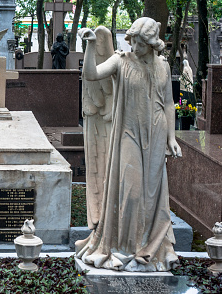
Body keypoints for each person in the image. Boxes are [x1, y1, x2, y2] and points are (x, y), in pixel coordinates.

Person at [76, 17, 182, 272]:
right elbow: (91, 74)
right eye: (132, 42)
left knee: (153, 194)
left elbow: (168, 103)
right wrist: (90, 45)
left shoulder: (163, 67)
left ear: (152, 44)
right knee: (132, 193)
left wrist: (171, 137)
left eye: (140, 44)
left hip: (156, 131)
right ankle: (124, 247)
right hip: (129, 133)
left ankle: (153, 249)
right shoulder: (121, 61)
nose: (134, 48)